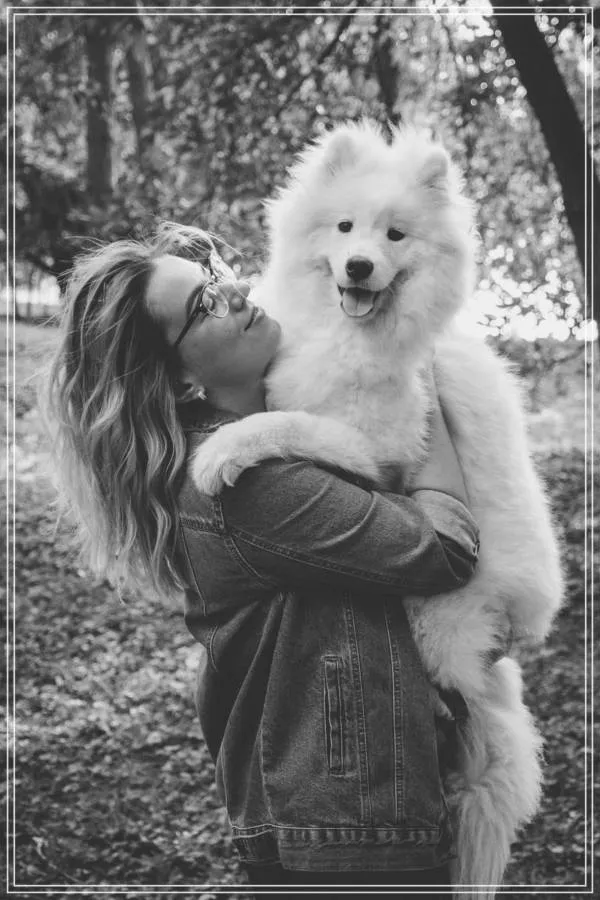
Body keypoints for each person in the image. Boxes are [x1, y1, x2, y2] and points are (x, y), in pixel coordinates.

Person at [46, 223, 481, 898]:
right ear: (180, 380)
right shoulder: (247, 482)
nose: (237, 291)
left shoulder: (268, 444)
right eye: (203, 306)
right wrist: (413, 370)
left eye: (215, 279)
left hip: (336, 818)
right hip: (343, 832)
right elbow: (445, 548)